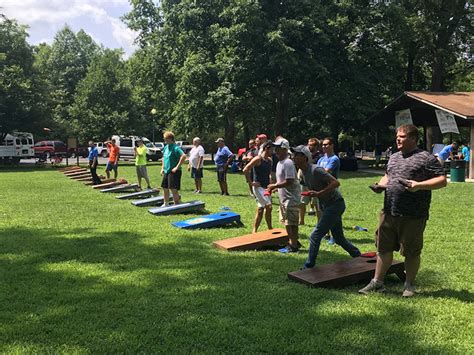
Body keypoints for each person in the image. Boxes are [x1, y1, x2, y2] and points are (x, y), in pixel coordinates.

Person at [359, 124, 446, 297]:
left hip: (413, 215)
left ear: (414, 139)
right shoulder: (394, 157)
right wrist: (381, 185)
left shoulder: (426, 158)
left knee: (411, 251)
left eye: (402, 136)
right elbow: (388, 175)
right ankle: (377, 282)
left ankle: (409, 285)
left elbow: (442, 180)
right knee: (383, 248)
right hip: (389, 210)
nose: (398, 139)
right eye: (397, 136)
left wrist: (418, 185)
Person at [292, 145, 361, 268]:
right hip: (326, 205)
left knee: (315, 235)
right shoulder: (302, 172)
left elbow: (336, 182)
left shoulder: (316, 170)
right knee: (339, 238)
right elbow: (307, 186)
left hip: (336, 204)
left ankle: (309, 266)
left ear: (304, 157)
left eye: (297, 155)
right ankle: (358, 255)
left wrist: (319, 193)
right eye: (294, 154)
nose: (294, 157)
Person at [266, 138, 301, 253]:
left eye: (278, 148)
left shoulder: (288, 163)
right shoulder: (279, 163)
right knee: (286, 222)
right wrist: (276, 188)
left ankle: (294, 245)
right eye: (275, 148)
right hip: (283, 198)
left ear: (285, 149)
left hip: (291, 198)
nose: (275, 150)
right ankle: (291, 243)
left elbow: (289, 181)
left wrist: (275, 186)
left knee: (292, 223)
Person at [243, 140, 274, 233]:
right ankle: (270, 228)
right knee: (269, 206)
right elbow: (245, 169)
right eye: (272, 149)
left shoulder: (269, 160)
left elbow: (268, 174)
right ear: (266, 149)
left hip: (265, 187)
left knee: (260, 209)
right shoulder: (258, 159)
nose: (273, 151)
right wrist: (251, 182)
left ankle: (255, 230)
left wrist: (271, 184)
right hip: (258, 187)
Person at [317, 137, 341, 245]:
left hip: (331, 189)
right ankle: (325, 233)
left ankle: (334, 236)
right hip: (321, 188)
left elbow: (326, 172)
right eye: (323, 145)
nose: (324, 146)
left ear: (332, 145)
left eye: (326, 144)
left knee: (332, 213)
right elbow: (316, 171)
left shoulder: (334, 159)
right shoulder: (321, 159)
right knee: (322, 211)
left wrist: (318, 173)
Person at [300, 137, 321, 224]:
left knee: (317, 204)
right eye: (308, 144)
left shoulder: (319, 157)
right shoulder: (304, 155)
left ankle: (320, 221)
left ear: (316, 146)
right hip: (304, 183)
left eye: (311, 145)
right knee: (302, 202)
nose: (309, 146)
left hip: (315, 184)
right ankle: (301, 221)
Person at [161, 131, 186, 205]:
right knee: (165, 188)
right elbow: (163, 158)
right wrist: (162, 168)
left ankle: (177, 203)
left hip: (174, 171)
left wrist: (177, 167)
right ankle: (166, 203)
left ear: (170, 139)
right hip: (166, 170)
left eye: (165, 138)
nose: (164, 140)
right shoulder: (166, 147)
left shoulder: (175, 147)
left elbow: (183, 156)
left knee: (173, 189)